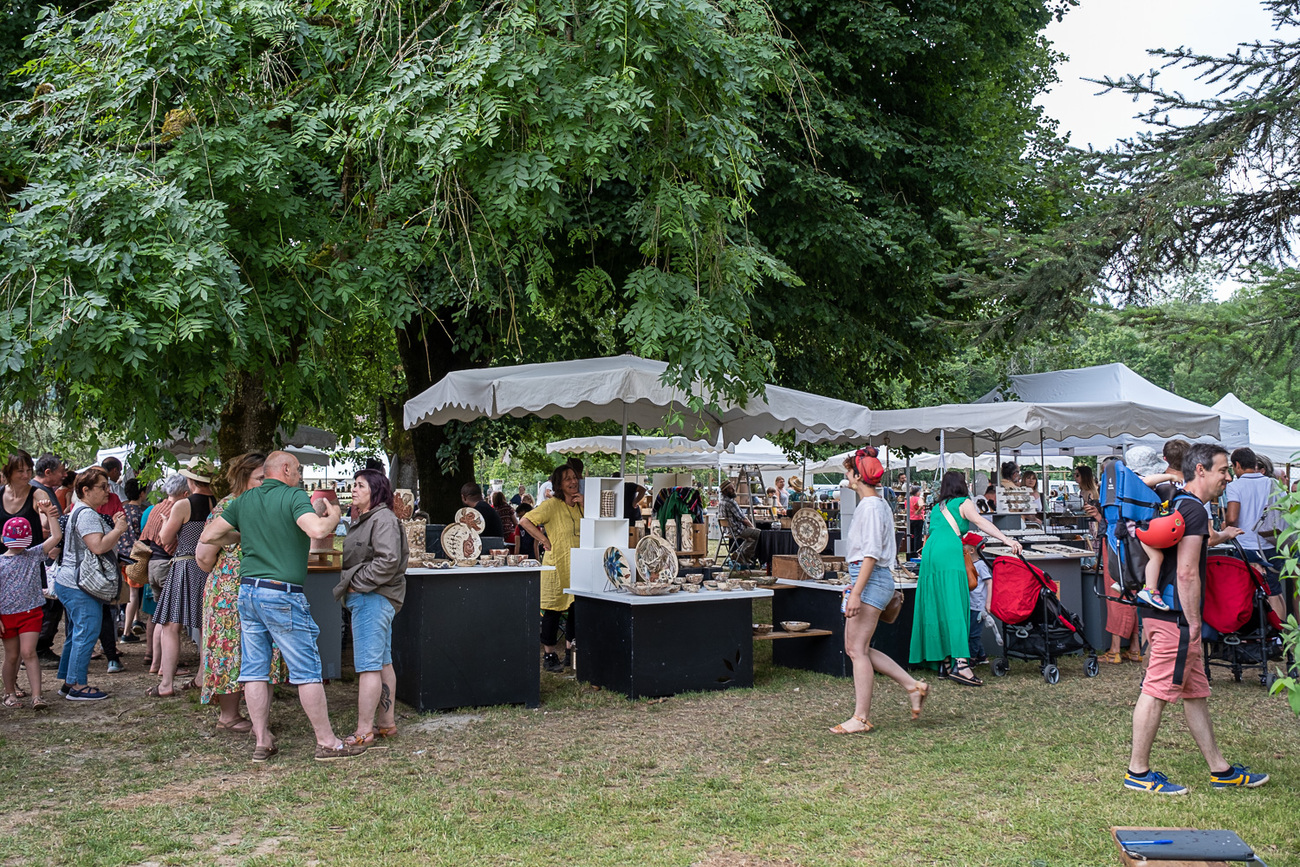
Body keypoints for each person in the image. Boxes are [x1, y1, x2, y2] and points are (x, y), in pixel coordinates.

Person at [199, 450, 364, 762]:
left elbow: (209, 535)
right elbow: (317, 531)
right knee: (307, 669)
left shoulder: (244, 500)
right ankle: (327, 741)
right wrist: (334, 515)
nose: (300, 475)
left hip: (247, 592)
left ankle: (262, 741)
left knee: (254, 670)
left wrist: (243, 534)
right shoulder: (293, 496)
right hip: (281, 592)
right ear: (286, 469)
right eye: (298, 469)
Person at [1125, 443, 1269, 794]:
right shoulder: (1190, 510)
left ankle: (1221, 770)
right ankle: (1138, 773)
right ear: (1201, 470)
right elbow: (1188, 573)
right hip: (1175, 616)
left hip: (1166, 612)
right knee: (1157, 689)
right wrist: (1192, 624)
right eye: (1222, 470)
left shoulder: (1178, 503)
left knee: (1195, 693)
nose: (1227, 476)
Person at [830, 448, 929, 734]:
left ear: (858, 476)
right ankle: (914, 686)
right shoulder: (878, 504)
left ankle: (860, 718)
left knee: (856, 649)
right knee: (858, 648)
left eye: (849, 471)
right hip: (870, 577)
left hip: (870, 578)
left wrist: (857, 592)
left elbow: (871, 554)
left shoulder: (872, 507)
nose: (847, 475)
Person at [194, 453, 287, 734]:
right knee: (229, 649)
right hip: (228, 592)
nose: (265, 483)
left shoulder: (269, 505)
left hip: (262, 587)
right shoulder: (230, 506)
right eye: (260, 478)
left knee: (264, 650)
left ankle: (260, 718)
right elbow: (203, 557)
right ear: (243, 478)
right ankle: (229, 715)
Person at [909, 471, 1022, 687]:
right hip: (950, 552)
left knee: (936, 605)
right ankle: (961, 663)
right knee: (956, 606)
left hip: (931, 553)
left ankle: (943, 661)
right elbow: (980, 522)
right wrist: (1006, 539)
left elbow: (930, 532)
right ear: (962, 485)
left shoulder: (936, 507)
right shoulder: (964, 502)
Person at [335, 468, 408, 748]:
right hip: (374, 597)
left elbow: (388, 561)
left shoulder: (383, 519)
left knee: (368, 666)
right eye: (354, 485)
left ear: (375, 491)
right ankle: (386, 724)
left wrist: (356, 583)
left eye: (360, 485)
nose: (353, 490)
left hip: (373, 598)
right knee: (381, 662)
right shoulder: (371, 518)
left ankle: (364, 730)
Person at [53, 468, 127, 701]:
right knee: (87, 631)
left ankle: (68, 681)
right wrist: (118, 530)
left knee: (77, 633)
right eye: (103, 487)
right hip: (80, 585)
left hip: (71, 582)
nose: (108, 491)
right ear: (86, 490)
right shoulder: (86, 515)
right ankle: (77, 685)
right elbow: (98, 546)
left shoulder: (81, 511)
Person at [150, 461, 217, 698]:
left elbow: (165, 538)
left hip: (185, 564)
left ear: (191, 481)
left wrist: (165, 523)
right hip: (210, 567)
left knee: (171, 625)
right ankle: (202, 677)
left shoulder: (183, 505)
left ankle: (166, 683)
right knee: (206, 625)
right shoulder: (218, 505)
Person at [519, 464, 583, 673]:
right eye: (567, 479)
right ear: (559, 484)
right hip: (557, 564)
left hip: (579, 564)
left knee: (576, 608)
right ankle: (549, 654)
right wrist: (543, 539)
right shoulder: (551, 505)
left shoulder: (581, 504)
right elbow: (525, 521)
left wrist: (587, 504)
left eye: (574, 477)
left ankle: (570, 653)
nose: (573, 482)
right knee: (553, 610)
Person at [1, 503, 62, 709]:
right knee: (12, 655)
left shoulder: (33, 554)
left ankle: (37, 696)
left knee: (29, 652)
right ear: (4, 539)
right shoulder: (1, 562)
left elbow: (55, 537)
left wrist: (49, 515)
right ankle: (9, 693)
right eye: (13, 541)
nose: (18, 546)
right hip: (6, 615)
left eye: (22, 542)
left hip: (31, 613)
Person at [1223, 447, 1287, 621]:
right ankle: (1281, 637)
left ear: (1237, 465)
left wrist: (1225, 524)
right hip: (1272, 542)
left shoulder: (1235, 486)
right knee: (1275, 591)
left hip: (1246, 546)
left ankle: (1257, 636)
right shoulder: (1273, 483)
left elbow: (1233, 518)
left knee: (1245, 593)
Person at [137, 473, 188, 671]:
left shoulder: (154, 508)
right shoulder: (178, 509)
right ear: (185, 492)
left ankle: (156, 663)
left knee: (159, 616)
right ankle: (164, 667)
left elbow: (147, 537)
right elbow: (171, 541)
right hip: (167, 566)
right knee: (170, 621)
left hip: (152, 566)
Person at [116, 478, 148, 644]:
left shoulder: (121, 510)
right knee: (133, 595)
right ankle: (126, 632)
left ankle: (134, 621)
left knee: (123, 593)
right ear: (142, 493)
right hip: (134, 558)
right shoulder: (142, 513)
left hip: (119, 556)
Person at [717, 482, 760, 567]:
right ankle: (742, 555)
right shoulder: (730, 502)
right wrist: (752, 527)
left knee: (751, 539)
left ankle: (739, 554)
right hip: (737, 530)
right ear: (725, 491)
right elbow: (743, 518)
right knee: (760, 534)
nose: (733, 490)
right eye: (731, 489)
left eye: (733, 488)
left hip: (727, 531)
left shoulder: (721, 502)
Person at [967, 539, 992, 666]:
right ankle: (982, 656)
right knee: (972, 631)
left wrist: (988, 602)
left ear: (971, 550)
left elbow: (989, 582)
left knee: (973, 634)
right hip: (971, 604)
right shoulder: (969, 564)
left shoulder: (980, 565)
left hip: (978, 606)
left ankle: (972, 659)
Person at [906, 486, 925, 556]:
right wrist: (918, 511)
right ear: (917, 492)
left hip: (910, 519)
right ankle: (917, 552)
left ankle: (911, 551)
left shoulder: (908, 499)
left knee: (912, 536)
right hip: (918, 519)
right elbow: (922, 505)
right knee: (918, 536)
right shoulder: (918, 499)